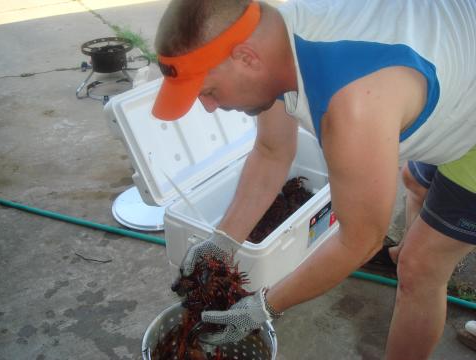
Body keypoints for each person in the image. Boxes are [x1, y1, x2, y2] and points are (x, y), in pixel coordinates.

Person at [152, 1, 476, 359]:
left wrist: (264, 306)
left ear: (245, 58)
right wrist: (222, 241)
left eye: (208, 92)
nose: (208, 107)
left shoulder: (353, 107)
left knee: (419, 270)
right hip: (454, 57)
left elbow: (360, 240)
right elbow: (273, 152)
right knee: (413, 182)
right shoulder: (272, 37)